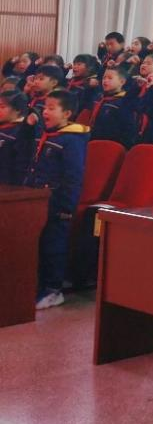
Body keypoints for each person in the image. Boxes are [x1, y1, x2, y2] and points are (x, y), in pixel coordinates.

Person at [24, 89, 87, 311]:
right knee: (40, 244)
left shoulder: (72, 140)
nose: (45, 112)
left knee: (53, 246)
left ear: (67, 113)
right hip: (38, 198)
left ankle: (53, 290)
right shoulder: (47, 134)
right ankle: (39, 285)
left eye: (52, 108)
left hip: (58, 202)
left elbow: (73, 176)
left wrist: (67, 207)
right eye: (44, 107)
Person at [87, 64, 137, 149]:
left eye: (110, 78)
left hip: (112, 144)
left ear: (122, 82)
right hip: (93, 139)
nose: (105, 81)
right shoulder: (99, 97)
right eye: (104, 78)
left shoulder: (124, 101)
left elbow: (128, 129)